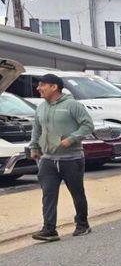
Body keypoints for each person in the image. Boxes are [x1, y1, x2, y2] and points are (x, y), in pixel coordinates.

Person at [28, 73, 95, 241]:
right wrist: (34, 146)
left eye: (42, 85)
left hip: (72, 159)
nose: (38, 88)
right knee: (48, 194)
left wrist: (71, 139)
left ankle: (82, 224)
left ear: (54, 87)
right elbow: (37, 128)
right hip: (48, 159)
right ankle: (49, 229)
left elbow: (88, 125)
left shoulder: (72, 105)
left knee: (77, 193)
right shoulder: (41, 107)